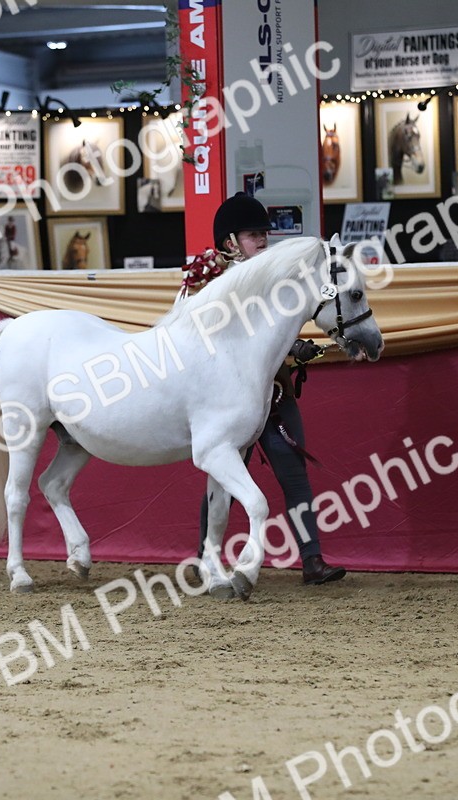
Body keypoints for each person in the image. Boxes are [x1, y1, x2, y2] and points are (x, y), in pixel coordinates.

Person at [190, 192, 346, 586]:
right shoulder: (207, 281)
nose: (262, 241)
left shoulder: (274, 279)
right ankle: (205, 557)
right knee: (223, 477)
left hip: (272, 395)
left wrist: (295, 346)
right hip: (226, 401)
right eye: (253, 234)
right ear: (230, 241)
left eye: (264, 234)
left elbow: (270, 334)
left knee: (294, 474)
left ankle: (312, 560)